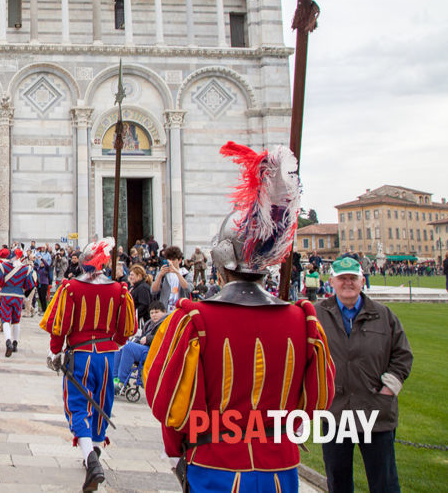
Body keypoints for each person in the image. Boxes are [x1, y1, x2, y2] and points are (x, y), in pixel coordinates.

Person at [144, 142, 335, 493]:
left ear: (219, 262)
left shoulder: (195, 320)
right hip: (281, 469)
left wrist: (177, 450)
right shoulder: (304, 321)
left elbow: (167, 396)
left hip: (215, 466)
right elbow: (318, 397)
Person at [40, 237, 136, 492]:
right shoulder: (119, 290)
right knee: (102, 402)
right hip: (107, 356)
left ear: (83, 264)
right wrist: (111, 341)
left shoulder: (70, 288)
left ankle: (90, 457)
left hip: (80, 355)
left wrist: (55, 351)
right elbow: (125, 331)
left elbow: (60, 325)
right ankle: (94, 449)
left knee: (77, 404)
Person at [315, 257, 413, 493]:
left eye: (352, 278)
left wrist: (387, 389)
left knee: (384, 483)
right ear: (331, 281)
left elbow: (402, 355)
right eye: (342, 278)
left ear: (362, 281)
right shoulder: (316, 315)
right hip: (336, 412)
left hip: (375, 410)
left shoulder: (384, 315)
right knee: (338, 482)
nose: (347, 283)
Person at [0, 248, 35, 357]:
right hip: (18, 296)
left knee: (5, 320)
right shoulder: (26, 269)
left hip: (6, 295)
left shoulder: (3, 266)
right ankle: (15, 343)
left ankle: (8, 341)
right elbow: (30, 285)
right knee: (16, 321)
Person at [112, 300, 165, 393]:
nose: (154, 315)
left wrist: (148, 339)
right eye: (152, 313)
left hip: (155, 352)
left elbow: (163, 339)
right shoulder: (149, 323)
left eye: (157, 312)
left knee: (129, 347)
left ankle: (121, 381)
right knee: (121, 345)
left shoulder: (166, 324)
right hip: (145, 349)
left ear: (164, 312)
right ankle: (114, 378)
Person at [150, 245, 189, 312]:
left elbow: (188, 288)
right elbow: (153, 291)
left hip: (180, 309)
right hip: (165, 309)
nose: (171, 262)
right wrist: (160, 276)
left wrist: (177, 273)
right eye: (169, 260)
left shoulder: (185, 273)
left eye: (173, 260)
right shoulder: (163, 273)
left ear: (179, 261)